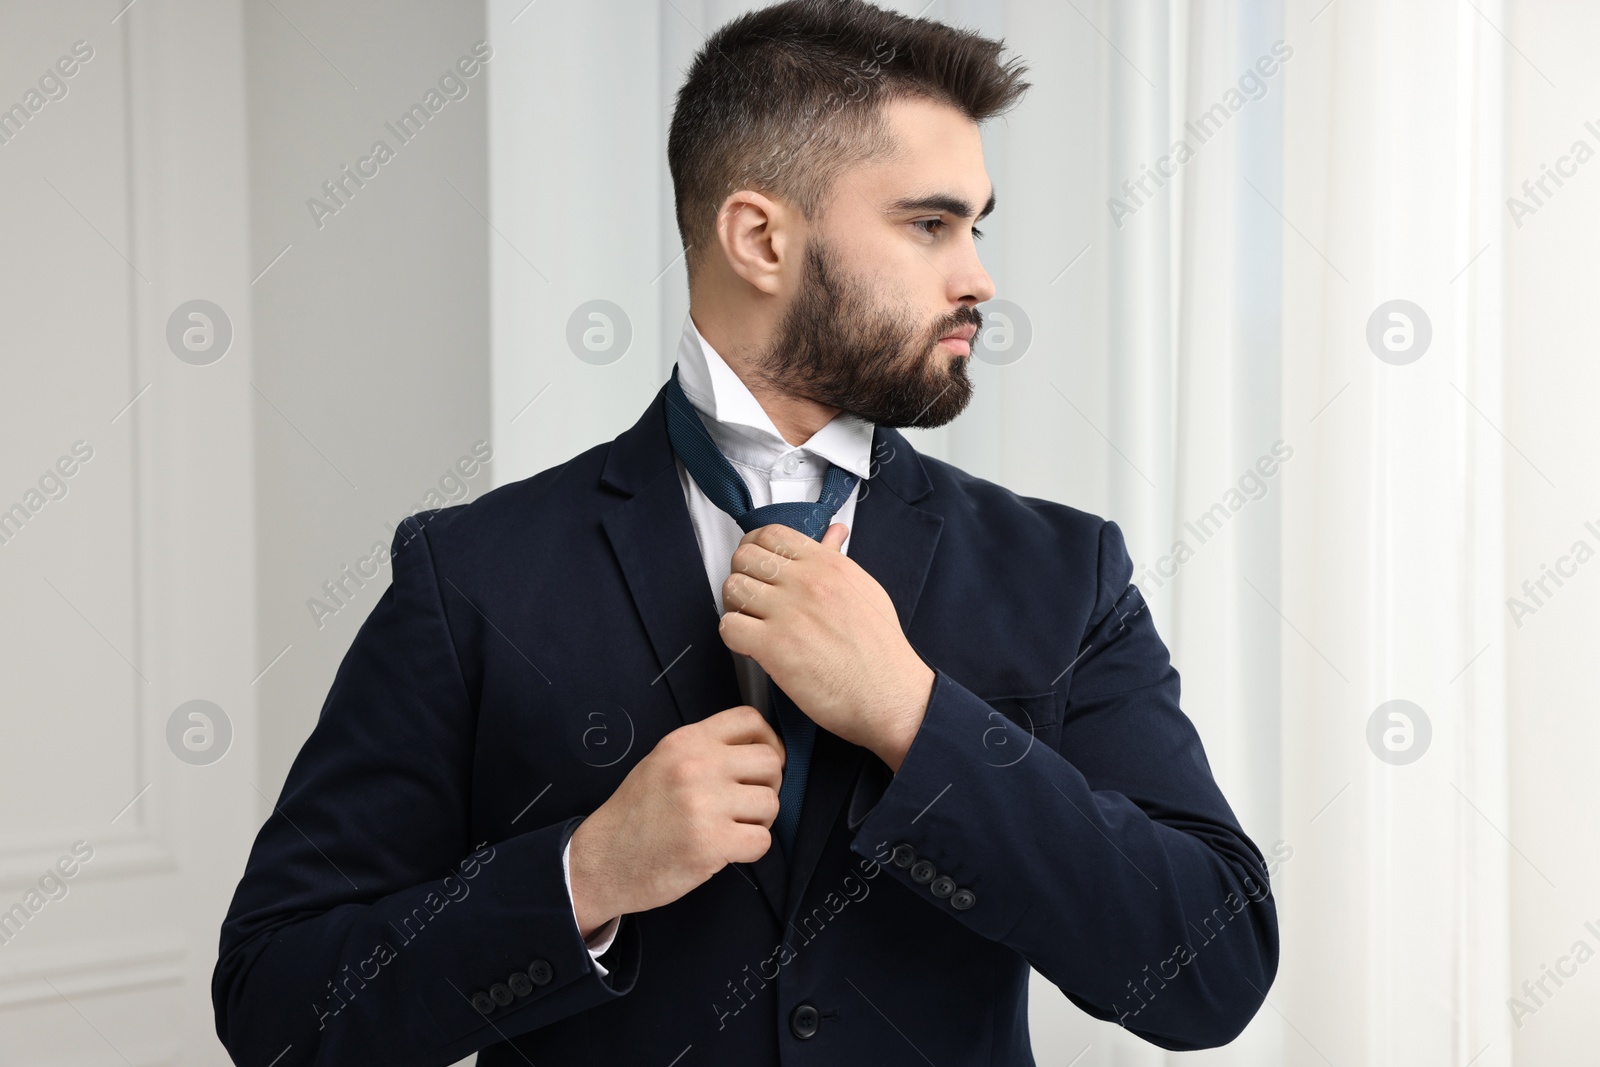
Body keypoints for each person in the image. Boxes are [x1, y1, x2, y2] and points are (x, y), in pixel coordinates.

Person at [212, 1, 1278, 1063]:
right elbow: (274, 1003)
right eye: (928, 224)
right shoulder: (470, 575)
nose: (978, 278)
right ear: (761, 236)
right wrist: (586, 873)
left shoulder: (1062, 571)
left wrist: (915, 716)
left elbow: (1211, 972)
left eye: (975, 226)